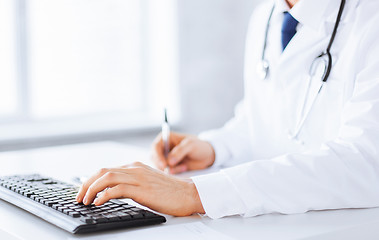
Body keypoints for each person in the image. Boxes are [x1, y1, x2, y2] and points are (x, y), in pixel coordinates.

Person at [76, 0, 379, 219]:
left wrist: (195, 194)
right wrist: (213, 148)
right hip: (276, 222)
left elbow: (366, 163)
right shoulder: (267, 16)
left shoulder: (370, 20)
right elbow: (260, 120)